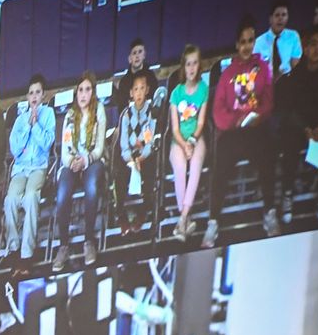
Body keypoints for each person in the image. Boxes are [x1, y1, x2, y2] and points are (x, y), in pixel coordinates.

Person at [204, 16, 279, 249]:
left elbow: (268, 101)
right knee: (220, 167)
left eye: (250, 41)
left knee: (268, 157)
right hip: (233, 132)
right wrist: (237, 120)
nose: (247, 46)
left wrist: (257, 116)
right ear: (237, 44)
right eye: (243, 42)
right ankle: (213, 222)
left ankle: (270, 212)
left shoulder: (263, 68)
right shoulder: (227, 74)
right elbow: (218, 113)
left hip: (256, 129)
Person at [277, 24, 318, 221]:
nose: (317, 48)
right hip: (300, 126)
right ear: (305, 48)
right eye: (313, 44)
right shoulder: (296, 75)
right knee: (288, 139)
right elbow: (289, 108)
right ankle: (287, 192)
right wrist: (305, 128)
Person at [53, 72, 107, 271]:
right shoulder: (70, 115)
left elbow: (100, 147)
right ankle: (63, 246)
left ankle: (89, 241)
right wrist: (72, 162)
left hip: (93, 160)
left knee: (91, 188)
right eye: (80, 90)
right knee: (62, 193)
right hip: (72, 162)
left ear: (93, 92)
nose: (83, 94)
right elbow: (64, 150)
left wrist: (85, 161)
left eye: (88, 90)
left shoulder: (99, 110)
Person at [3, 73, 56, 263]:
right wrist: (27, 126)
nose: (34, 96)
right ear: (27, 96)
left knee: (31, 196)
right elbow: (15, 149)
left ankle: (27, 252)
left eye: (38, 92)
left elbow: (47, 143)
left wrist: (36, 126)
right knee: (10, 199)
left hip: (38, 167)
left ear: (43, 95)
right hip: (20, 169)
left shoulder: (48, 114)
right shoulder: (20, 120)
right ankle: (13, 247)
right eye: (31, 93)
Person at [168, 44, 209, 240]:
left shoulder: (204, 89)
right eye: (188, 64)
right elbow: (175, 128)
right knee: (179, 167)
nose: (191, 68)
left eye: (195, 63)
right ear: (183, 67)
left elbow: (201, 122)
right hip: (179, 140)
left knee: (195, 165)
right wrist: (184, 144)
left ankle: (182, 220)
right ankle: (186, 219)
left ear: (199, 65)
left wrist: (192, 141)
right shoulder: (176, 93)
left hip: (196, 137)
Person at [116, 70, 158, 234]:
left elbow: (150, 140)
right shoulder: (126, 115)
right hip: (129, 156)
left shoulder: (151, 112)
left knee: (150, 171)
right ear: (131, 93)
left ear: (147, 90)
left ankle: (144, 210)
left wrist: (142, 157)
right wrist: (131, 159)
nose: (139, 93)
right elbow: (123, 143)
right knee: (120, 173)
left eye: (142, 88)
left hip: (145, 155)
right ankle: (120, 213)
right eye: (136, 89)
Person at [255, 0, 302, 81]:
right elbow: (255, 70)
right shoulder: (259, 42)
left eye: (284, 15)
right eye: (277, 15)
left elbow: (296, 66)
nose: (280, 18)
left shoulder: (293, 36)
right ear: (270, 19)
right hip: (266, 83)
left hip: (288, 81)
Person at [110, 38, 158, 116]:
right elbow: (122, 110)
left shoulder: (151, 77)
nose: (137, 56)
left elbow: (156, 102)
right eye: (134, 53)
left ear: (144, 55)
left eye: (140, 52)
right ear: (129, 58)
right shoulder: (124, 82)